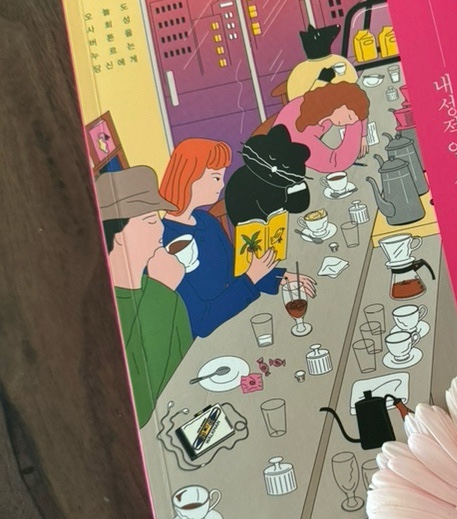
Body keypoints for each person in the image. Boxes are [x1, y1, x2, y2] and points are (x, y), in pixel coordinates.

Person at [160, 138, 315, 338]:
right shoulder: (164, 243)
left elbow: (235, 270)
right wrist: (251, 277)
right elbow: (202, 322)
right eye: (216, 177)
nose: (222, 184)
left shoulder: (205, 220)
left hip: (234, 317)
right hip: (208, 338)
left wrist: (281, 278)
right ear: (191, 177)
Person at [96, 166, 193, 429]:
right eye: (150, 220)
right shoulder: (103, 307)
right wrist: (161, 294)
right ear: (119, 234)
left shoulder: (168, 296)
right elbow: (136, 409)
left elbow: (188, 374)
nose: (161, 228)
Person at [272, 80, 370, 173]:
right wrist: (356, 128)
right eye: (349, 117)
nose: (350, 122)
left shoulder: (328, 104)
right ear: (340, 102)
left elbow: (355, 100)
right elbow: (336, 162)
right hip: (286, 165)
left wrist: (363, 134)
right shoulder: (302, 137)